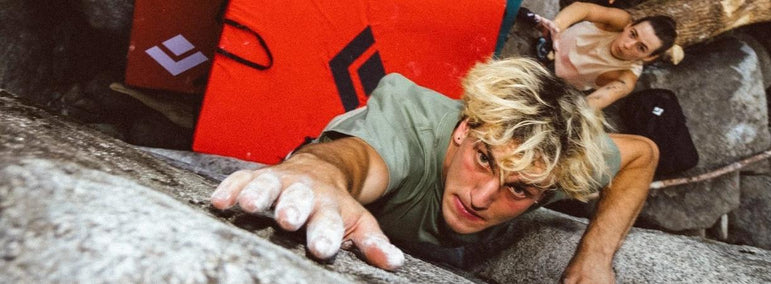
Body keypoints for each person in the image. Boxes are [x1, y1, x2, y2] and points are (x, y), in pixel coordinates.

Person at [209, 58, 658, 283]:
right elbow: (357, 161)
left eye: (518, 190)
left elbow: (642, 154)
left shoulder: (549, 167)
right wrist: (315, 173)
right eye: (485, 159)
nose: (482, 197)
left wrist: (594, 257)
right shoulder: (409, 127)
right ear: (465, 127)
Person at [524, 2, 680, 109]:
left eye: (641, 48)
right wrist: (556, 26)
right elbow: (583, 8)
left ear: (649, 57)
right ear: (629, 26)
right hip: (548, 41)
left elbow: (597, 101)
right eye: (632, 34)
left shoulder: (626, 77)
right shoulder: (621, 20)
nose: (627, 45)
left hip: (551, 77)